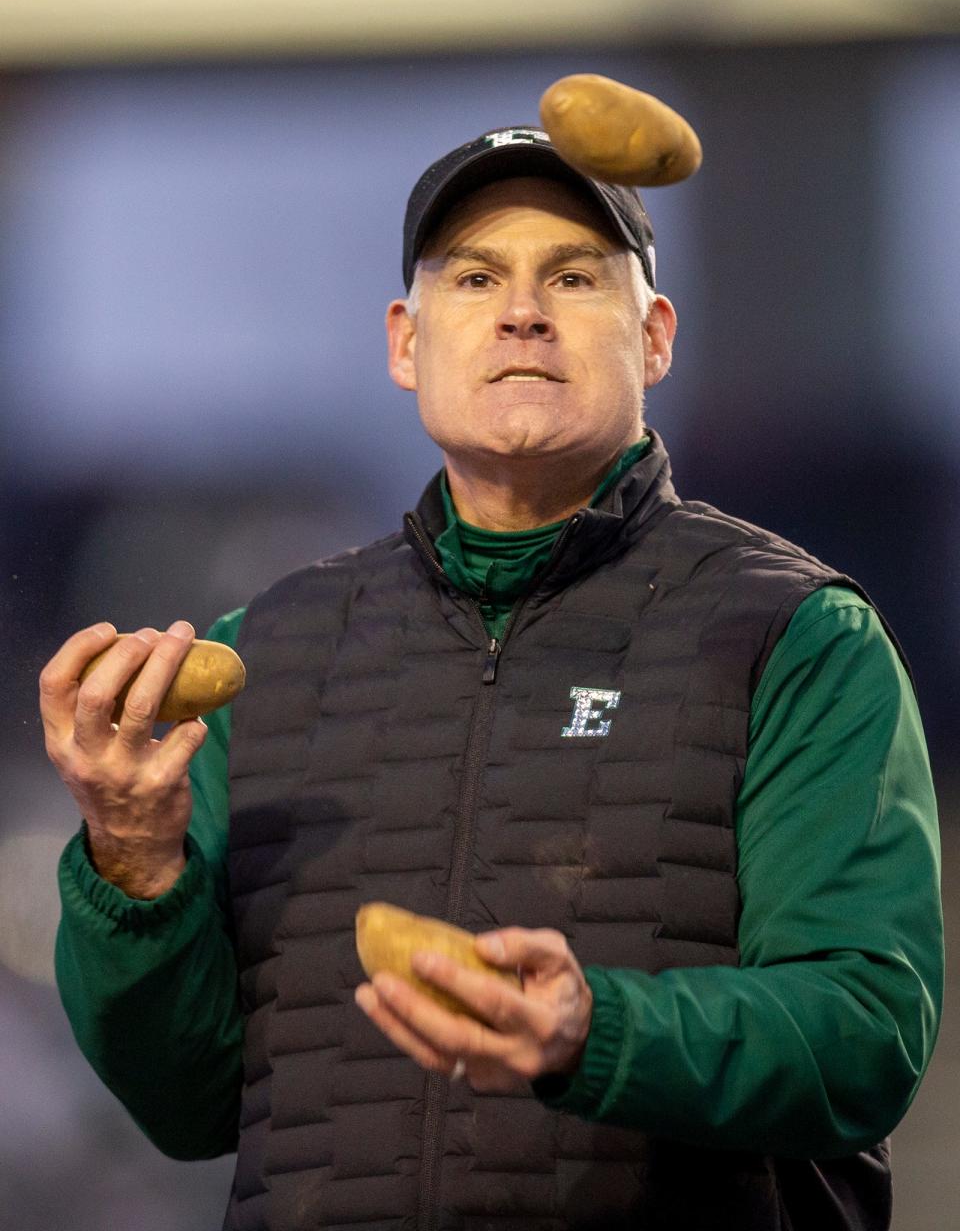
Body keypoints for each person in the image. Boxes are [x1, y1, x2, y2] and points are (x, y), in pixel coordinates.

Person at [44, 125, 943, 1230]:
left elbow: (864, 1034)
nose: (524, 310)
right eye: (475, 277)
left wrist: (592, 1030)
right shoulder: (269, 658)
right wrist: (130, 857)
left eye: (573, 276)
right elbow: (187, 1103)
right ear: (405, 343)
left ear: (655, 337)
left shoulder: (796, 635)